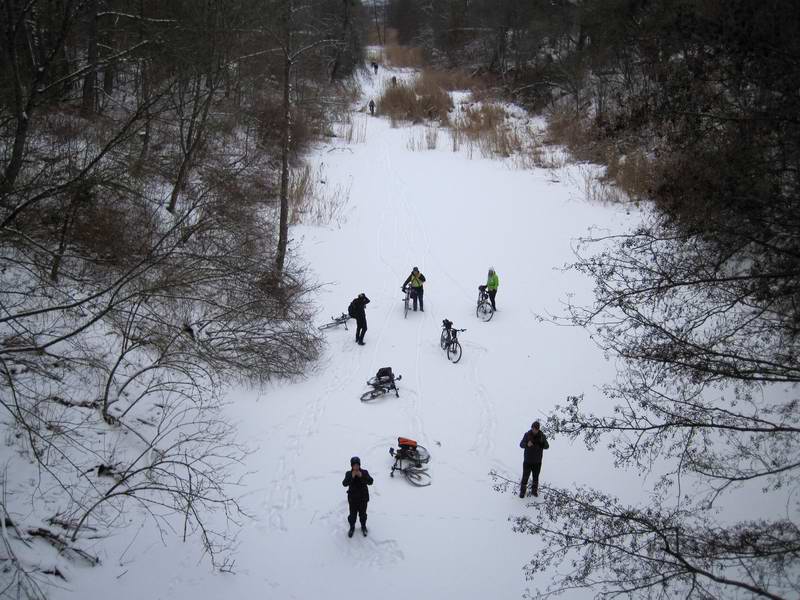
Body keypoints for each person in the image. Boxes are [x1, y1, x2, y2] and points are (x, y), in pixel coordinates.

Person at [342, 456, 373, 537]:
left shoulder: (365, 472)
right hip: (353, 499)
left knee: (363, 515)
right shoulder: (348, 473)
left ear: (359, 465)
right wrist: (351, 477)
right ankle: (352, 527)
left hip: (363, 499)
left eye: (357, 465)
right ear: (351, 466)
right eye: (354, 465)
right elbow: (344, 484)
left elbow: (371, 481)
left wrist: (361, 476)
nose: (356, 467)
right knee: (352, 516)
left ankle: (363, 527)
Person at [519, 421, 549, 498]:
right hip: (527, 461)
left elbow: (547, 446)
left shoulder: (542, 436)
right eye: (533, 428)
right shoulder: (527, 435)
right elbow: (521, 444)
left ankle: (534, 491)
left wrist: (541, 443)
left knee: (535, 477)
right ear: (531, 428)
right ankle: (522, 492)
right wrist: (527, 444)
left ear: (538, 429)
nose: (534, 430)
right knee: (525, 477)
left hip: (537, 462)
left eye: (536, 429)